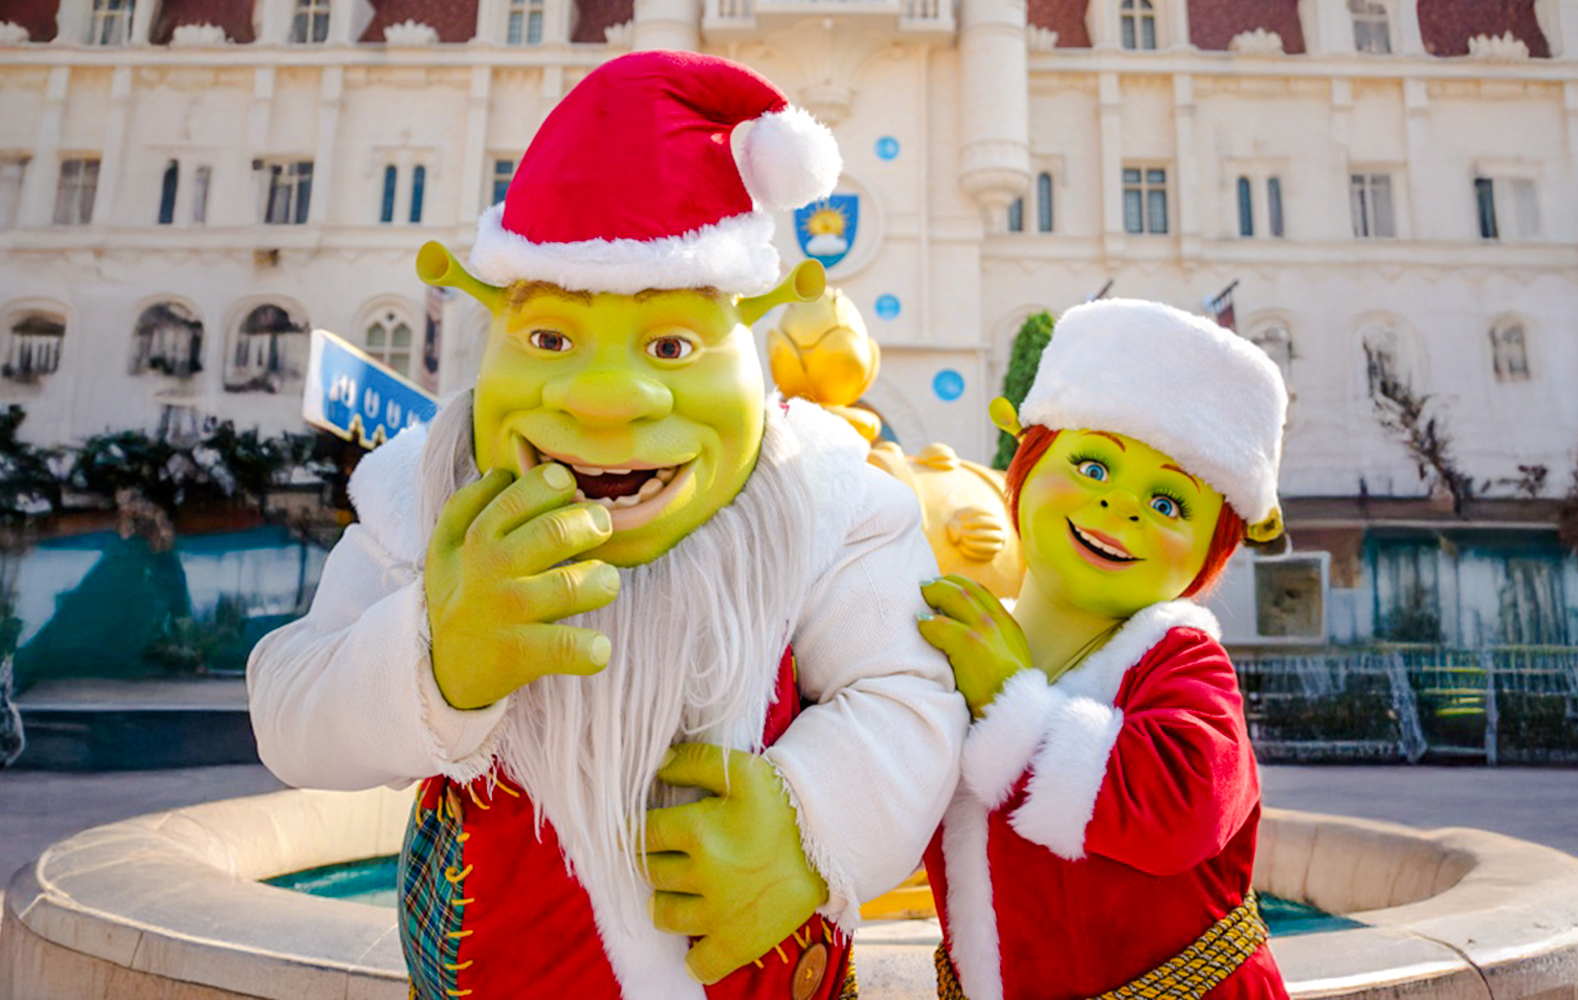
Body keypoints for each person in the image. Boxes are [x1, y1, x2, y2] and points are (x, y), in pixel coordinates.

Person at [248, 50, 966, 1000]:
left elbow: (908, 698)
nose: (607, 398)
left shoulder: (832, 501)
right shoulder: (420, 499)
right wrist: (434, 659)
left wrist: (810, 824)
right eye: (548, 340)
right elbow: (289, 709)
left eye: (672, 345)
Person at [917, 298, 1292, 1000]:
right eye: (1092, 468)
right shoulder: (956, 639)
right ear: (1026, 461)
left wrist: (1007, 698)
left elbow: (1182, 808)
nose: (1122, 510)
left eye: (1169, 504)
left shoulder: (1181, 661)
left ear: (1215, 546)